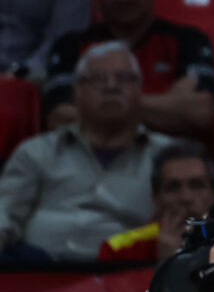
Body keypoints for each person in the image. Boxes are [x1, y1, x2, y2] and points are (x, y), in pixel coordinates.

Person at [0, 42, 170, 258]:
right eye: (98, 79)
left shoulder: (169, 157)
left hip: (126, 274)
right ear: (76, 92)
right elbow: (3, 211)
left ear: (140, 90)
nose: (111, 86)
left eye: (123, 78)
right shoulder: (36, 151)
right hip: (41, 273)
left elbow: (184, 219)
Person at [39, 0, 214, 137]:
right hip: (91, 163)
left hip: (171, 164)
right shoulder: (70, 46)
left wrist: (99, 102)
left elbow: (200, 113)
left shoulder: (189, 40)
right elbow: (59, 118)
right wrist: (168, 105)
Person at [104, 139, 214, 263]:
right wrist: (167, 260)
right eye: (173, 187)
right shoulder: (120, 250)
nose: (186, 197)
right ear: (156, 198)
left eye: (197, 185)